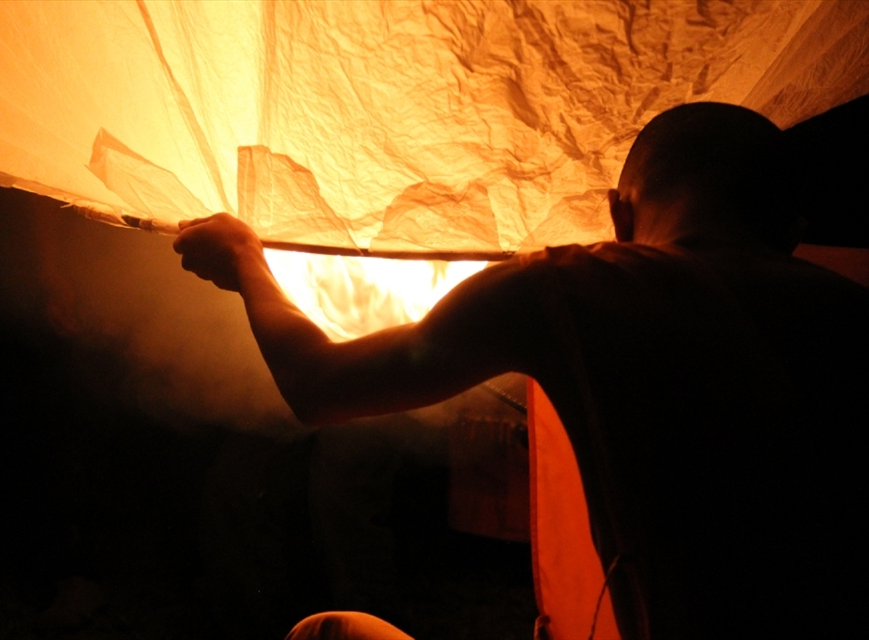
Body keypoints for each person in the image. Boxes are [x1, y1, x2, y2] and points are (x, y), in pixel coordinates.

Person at [173, 103, 867, 639]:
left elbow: (319, 385)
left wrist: (245, 262)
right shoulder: (850, 311)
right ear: (791, 226)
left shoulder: (574, 287)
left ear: (619, 213)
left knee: (328, 633)